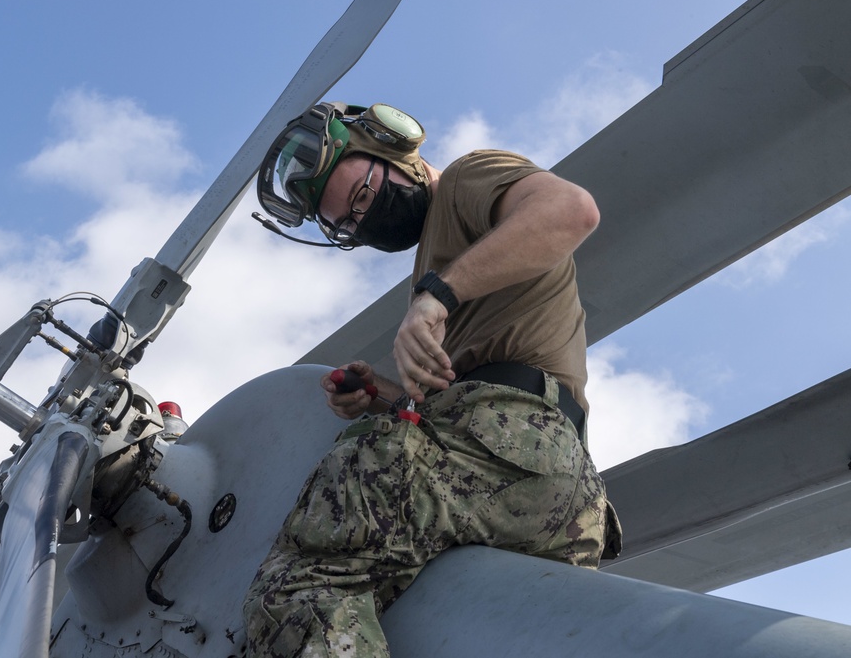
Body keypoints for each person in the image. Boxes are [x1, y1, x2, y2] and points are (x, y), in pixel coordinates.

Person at [244, 102, 621, 657]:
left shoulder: (469, 176)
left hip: (507, 441)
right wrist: (382, 397)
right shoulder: (445, 261)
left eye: (364, 196)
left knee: (297, 586)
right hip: (554, 490)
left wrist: (437, 296)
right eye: (350, 224)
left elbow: (572, 211)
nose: (363, 221)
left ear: (394, 148)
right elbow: (461, 390)